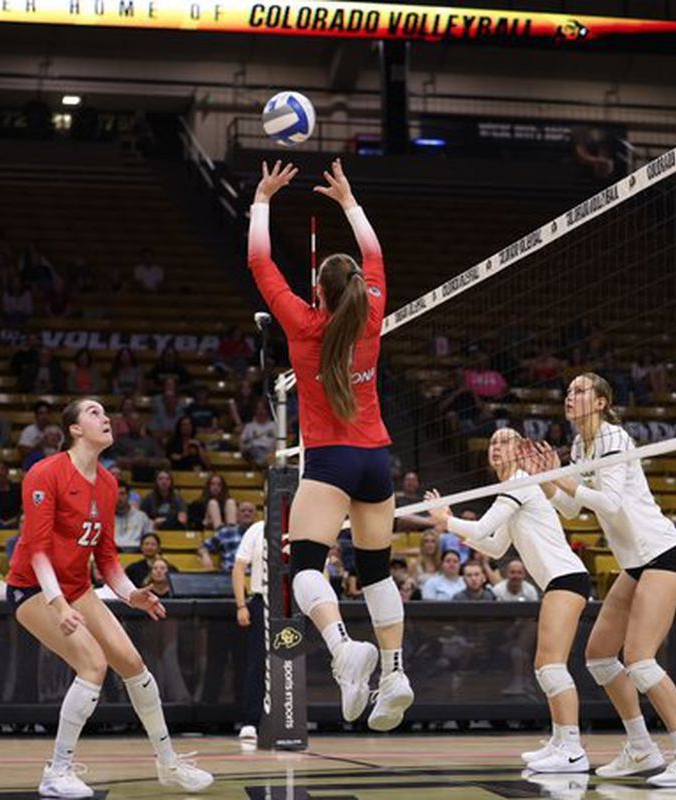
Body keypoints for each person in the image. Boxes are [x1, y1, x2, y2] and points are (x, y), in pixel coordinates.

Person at [248, 158, 412, 731]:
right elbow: (376, 257)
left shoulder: (301, 324)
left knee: (304, 567)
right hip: (377, 461)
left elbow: (259, 261)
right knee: (376, 573)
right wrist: (348, 201)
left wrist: (264, 198)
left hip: (331, 460)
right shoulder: (371, 317)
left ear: (317, 289)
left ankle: (344, 651)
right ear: (359, 293)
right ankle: (394, 674)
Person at [6, 398, 212, 796]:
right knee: (92, 664)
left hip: (78, 587)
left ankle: (168, 764)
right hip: (32, 587)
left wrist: (131, 593)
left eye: (105, 412)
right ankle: (56, 773)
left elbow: (107, 558)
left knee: (134, 664)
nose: (106, 418)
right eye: (94, 412)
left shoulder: (108, 482)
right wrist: (58, 605)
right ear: (75, 429)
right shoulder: (45, 473)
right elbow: (37, 550)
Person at [527, 373, 676, 786]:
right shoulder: (580, 444)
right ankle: (642, 747)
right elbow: (574, 512)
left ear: (601, 401)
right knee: (599, 656)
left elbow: (608, 503)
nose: (570, 396)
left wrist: (566, 480)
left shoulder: (614, 439)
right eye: (568, 390)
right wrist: (550, 482)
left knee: (641, 659)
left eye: (579, 391)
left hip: (663, 552)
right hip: (636, 562)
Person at [428, 428, 590, 772]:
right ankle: (561, 742)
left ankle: (573, 749)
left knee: (550, 665)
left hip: (568, 579)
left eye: (504, 442)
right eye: (492, 443)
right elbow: (496, 546)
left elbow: (481, 527)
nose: (496, 448)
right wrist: (450, 526)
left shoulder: (519, 481)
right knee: (544, 666)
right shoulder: (511, 490)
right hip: (560, 582)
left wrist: (446, 519)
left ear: (520, 450)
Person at [230, 519, 267, 742]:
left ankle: (294, 716)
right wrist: (241, 605)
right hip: (261, 600)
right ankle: (251, 721)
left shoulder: (303, 524)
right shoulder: (257, 528)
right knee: (257, 663)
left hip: (292, 601)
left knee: (292, 662)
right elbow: (239, 567)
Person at [197, 502, 258, 571]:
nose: (247, 513)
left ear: (256, 516)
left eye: (250, 511)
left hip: (255, 577)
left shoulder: (262, 534)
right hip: (229, 576)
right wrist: (205, 556)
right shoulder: (226, 533)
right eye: (243, 511)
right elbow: (203, 547)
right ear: (237, 515)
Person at [114, 482, 151, 553]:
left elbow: (149, 538)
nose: (119, 497)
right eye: (116, 493)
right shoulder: (105, 516)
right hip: (111, 554)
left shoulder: (141, 517)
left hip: (137, 553)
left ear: (128, 496)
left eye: (122, 494)